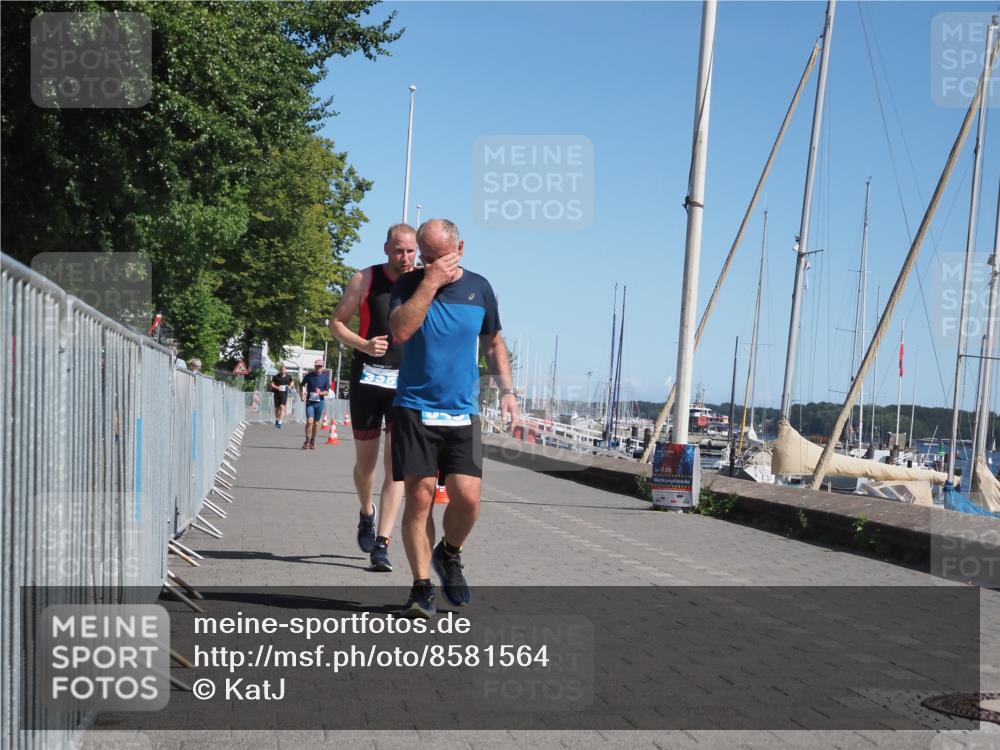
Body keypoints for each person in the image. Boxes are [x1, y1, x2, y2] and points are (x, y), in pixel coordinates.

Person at [388, 219, 520, 618]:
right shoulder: (410, 284)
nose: (429, 264)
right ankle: (421, 586)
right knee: (420, 498)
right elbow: (401, 331)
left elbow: (494, 343)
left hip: (463, 412)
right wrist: (429, 281)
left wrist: (508, 392)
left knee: (468, 499)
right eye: (424, 257)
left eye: (438, 257)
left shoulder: (480, 288)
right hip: (414, 407)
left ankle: (450, 553)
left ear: (459, 248)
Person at [330, 224, 417, 571]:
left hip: (405, 385)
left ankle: (383, 543)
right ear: (386, 249)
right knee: (365, 466)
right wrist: (364, 344)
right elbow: (336, 323)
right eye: (399, 251)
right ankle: (367, 511)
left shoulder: (422, 284)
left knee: (396, 468)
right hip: (367, 380)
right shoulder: (364, 279)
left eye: (411, 251)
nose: (406, 258)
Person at [299, 359, 331, 450]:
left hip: (319, 403)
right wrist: (301, 394)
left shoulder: (325, 377)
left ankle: (313, 440)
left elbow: (327, 392)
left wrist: (320, 393)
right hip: (310, 402)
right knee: (309, 421)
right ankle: (307, 440)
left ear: (323, 367)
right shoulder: (309, 376)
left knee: (316, 423)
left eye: (320, 366)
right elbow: (301, 385)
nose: (318, 368)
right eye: (317, 366)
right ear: (314, 366)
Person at [270, 364, 294, 428]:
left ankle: (280, 422)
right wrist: (276, 387)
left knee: (282, 407)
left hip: (284, 394)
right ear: (280, 370)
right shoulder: (276, 377)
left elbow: (292, 382)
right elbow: (272, 384)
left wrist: (290, 386)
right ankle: (277, 419)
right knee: (277, 409)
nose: (283, 371)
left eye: (284, 370)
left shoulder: (288, 377)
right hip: (277, 394)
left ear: (285, 370)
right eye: (282, 370)